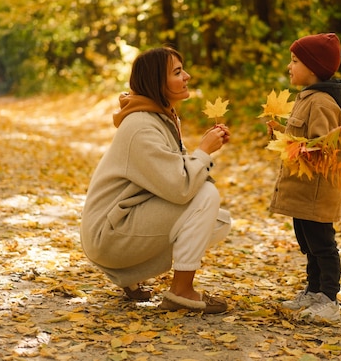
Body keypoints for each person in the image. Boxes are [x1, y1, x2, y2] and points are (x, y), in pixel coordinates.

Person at [81, 46, 232, 314]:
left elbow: (170, 178)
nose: (186, 76)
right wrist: (204, 152)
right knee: (205, 198)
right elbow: (181, 187)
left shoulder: (160, 118)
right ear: (156, 82)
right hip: (109, 234)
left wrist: (199, 158)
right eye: (177, 72)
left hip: (120, 223)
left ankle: (130, 276)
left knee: (218, 221)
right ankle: (181, 292)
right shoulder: (141, 126)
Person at [268, 33, 341, 324]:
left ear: (312, 68)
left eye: (294, 61)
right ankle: (313, 291)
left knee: (322, 245)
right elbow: (301, 139)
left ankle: (329, 298)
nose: (289, 67)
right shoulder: (306, 98)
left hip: (316, 193)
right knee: (308, 244)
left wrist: (293, 146)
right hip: (302, 193)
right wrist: (281, 134)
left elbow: (323, 148)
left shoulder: (323, 104)